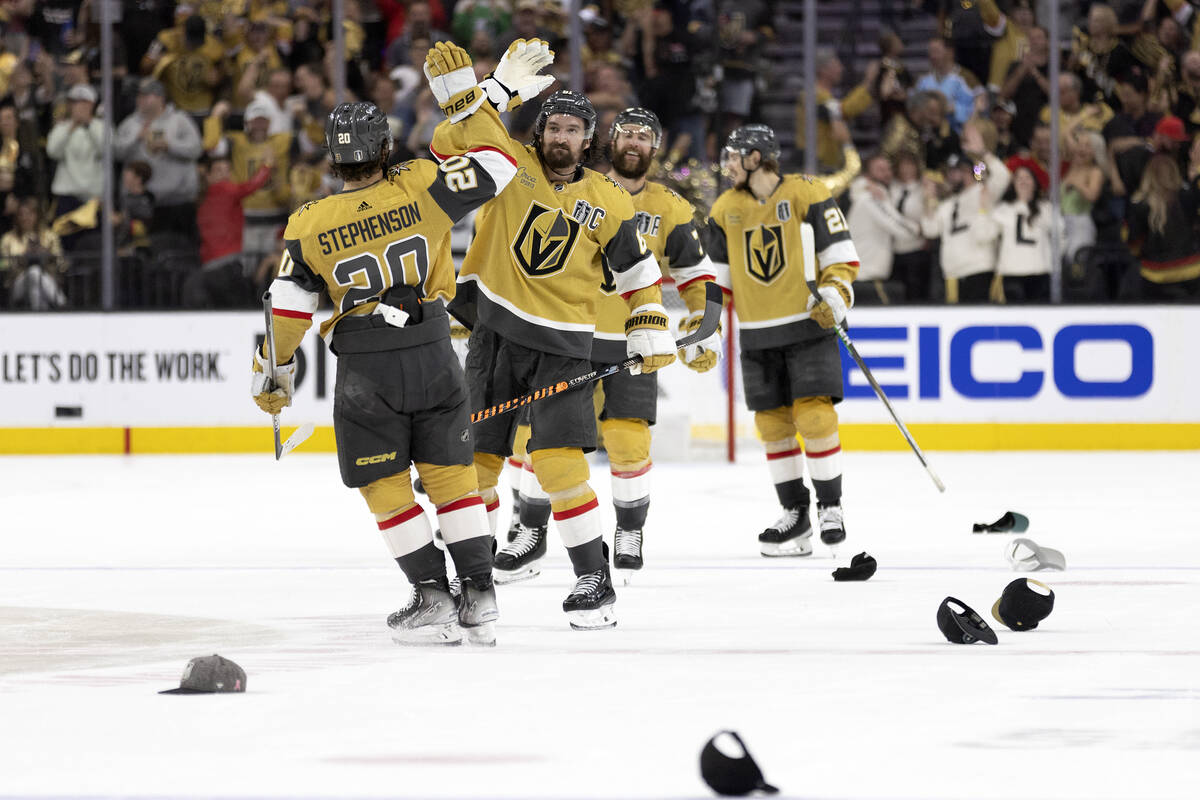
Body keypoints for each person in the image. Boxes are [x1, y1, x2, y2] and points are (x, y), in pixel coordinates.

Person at [250, 39, 555, 647]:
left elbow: (288, 307)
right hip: (436, 351)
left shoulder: (309, 222)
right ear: (387, 148)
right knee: (451, 476)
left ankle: (432, 595)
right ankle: (480, 594)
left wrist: (275, 369)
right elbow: (498, 163)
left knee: (384, 485)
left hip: (367, 369)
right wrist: (486, 97)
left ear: (332, 159)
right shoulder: (422, 183)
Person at [449, 90, 675, 630]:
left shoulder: (610, 200)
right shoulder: (506, 167)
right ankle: (474, 583)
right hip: (494, 336)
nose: (561, 137)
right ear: (540, 131)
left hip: (565, 346)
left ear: (588, 139)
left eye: (574, 129)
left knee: (557, 464)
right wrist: (491, 91)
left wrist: (648, 322)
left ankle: (594, 581)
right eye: (554, 127)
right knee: (476, 462)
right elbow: (451, 139)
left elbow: (639, 274)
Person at [504, 108, 719, 582]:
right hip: (566, 337)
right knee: (542, 440)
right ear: (609, 140)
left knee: (627, 439)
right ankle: (530, 530)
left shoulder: (671, 208)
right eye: (627, 134)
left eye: (645, 136)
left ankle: (629, 531)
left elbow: (698, 276)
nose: (634, 143)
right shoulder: (580, 190)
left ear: (655, 148)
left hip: (630, 341)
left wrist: (707, 327)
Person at [703, 124, 861, 557]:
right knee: (772, 426)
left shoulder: (808, 192)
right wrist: (707, 328)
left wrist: (835, 294)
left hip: (808, 327)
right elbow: (716, 283)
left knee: (814, 418)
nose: (728, 165)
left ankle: (831, 507)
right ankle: (795, 516)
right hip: (757, 335)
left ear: (756, 157)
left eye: (734, 156)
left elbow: (841, 257)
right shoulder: (724, 208)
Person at [921, 123, 1010, 303]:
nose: (952, 176)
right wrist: (930, 199)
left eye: (959, 171)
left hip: (979, 269)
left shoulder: (982, 191)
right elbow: (930, 230)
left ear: (969, 172)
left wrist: (982, 154)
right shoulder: (947, 204)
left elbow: (1002, 176)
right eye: (951, 171)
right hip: (953, 273)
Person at [979, 165, 1059, 303]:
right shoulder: (1003, 209)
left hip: (1041, 271)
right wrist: (983, 209)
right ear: (1013, 184)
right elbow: (985, 235)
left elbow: (1060, 237)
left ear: (1035, 182)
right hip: (1012, 273)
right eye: (1019, 178)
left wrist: (1051, 258)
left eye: (1027, 177)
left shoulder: (1046, 208)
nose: (1023, 181)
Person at [1126, 152, 1200, 299]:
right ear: (1174, 172)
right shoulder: (1188, 196)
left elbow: (1134, 244)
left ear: (1148, 175)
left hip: (1155, 277)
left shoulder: (1138, 205)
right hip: (1193, 272)